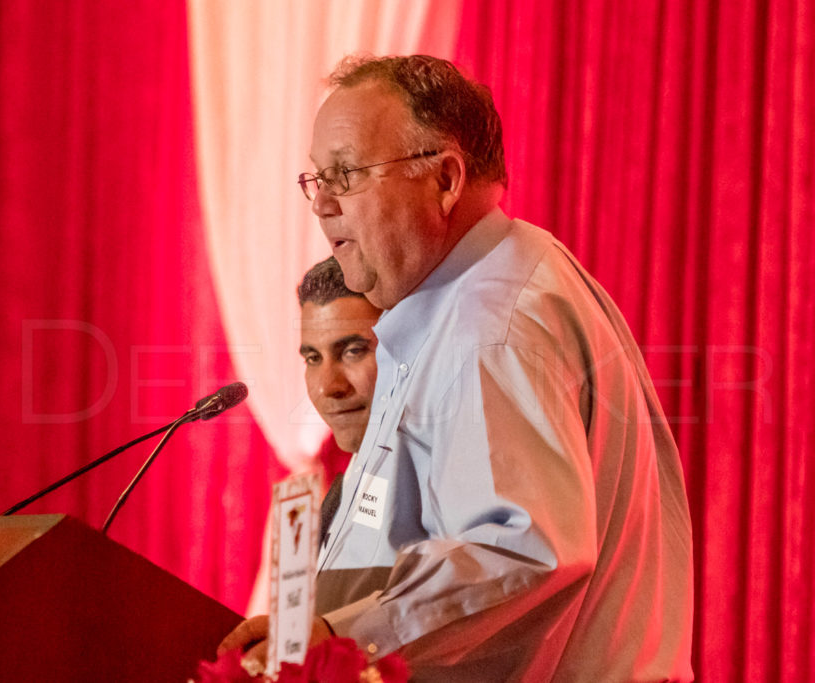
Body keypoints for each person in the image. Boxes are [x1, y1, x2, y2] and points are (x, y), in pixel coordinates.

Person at [222, 54, 694, 681]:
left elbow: (522, 548)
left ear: (445, 179)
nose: (323, 204)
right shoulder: (477, 293)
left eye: (347, 174)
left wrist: (341, 635)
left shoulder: (491, 323)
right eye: (317, 179)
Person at [244, 256, 382, 617]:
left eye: (352, 351)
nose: (328, 387)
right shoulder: (324, 496)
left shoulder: (446, 475)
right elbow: (287, 640)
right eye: (313, 358)